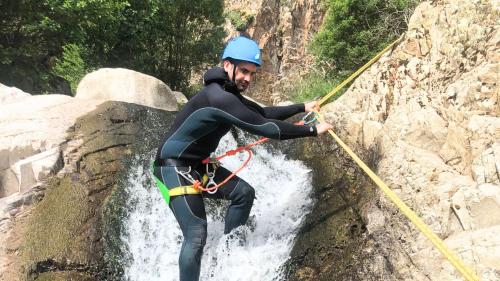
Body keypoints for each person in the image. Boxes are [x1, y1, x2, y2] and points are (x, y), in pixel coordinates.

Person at [153, 36, 333, 281]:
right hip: (172, 167)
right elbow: (267, 127)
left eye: (253, 73)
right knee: (196, 233)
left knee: (243, 194)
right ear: (228, 65)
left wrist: (303, 106)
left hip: (197, 165)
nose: (248, 78)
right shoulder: (217, 97)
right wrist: (311, 130)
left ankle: (230, 252)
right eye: (244, 71)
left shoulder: (229, 94)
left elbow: (263, 112)